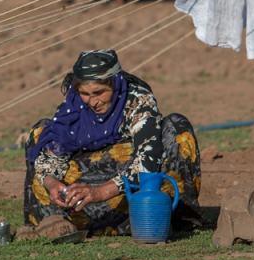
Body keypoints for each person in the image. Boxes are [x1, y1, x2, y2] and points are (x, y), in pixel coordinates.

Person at [23, 49, 203, 236]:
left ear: (116, 84)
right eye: (85, 93)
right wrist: (52, 184)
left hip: (127, 187)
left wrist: (99, 193)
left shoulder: (137, 101)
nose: (92, 102)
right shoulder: (73, 106)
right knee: (41, 132)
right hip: (86, 189)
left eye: (99, 92)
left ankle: (168, 219)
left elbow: (147, 161)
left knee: (177, 128)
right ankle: (57, 222)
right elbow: (52, 154)